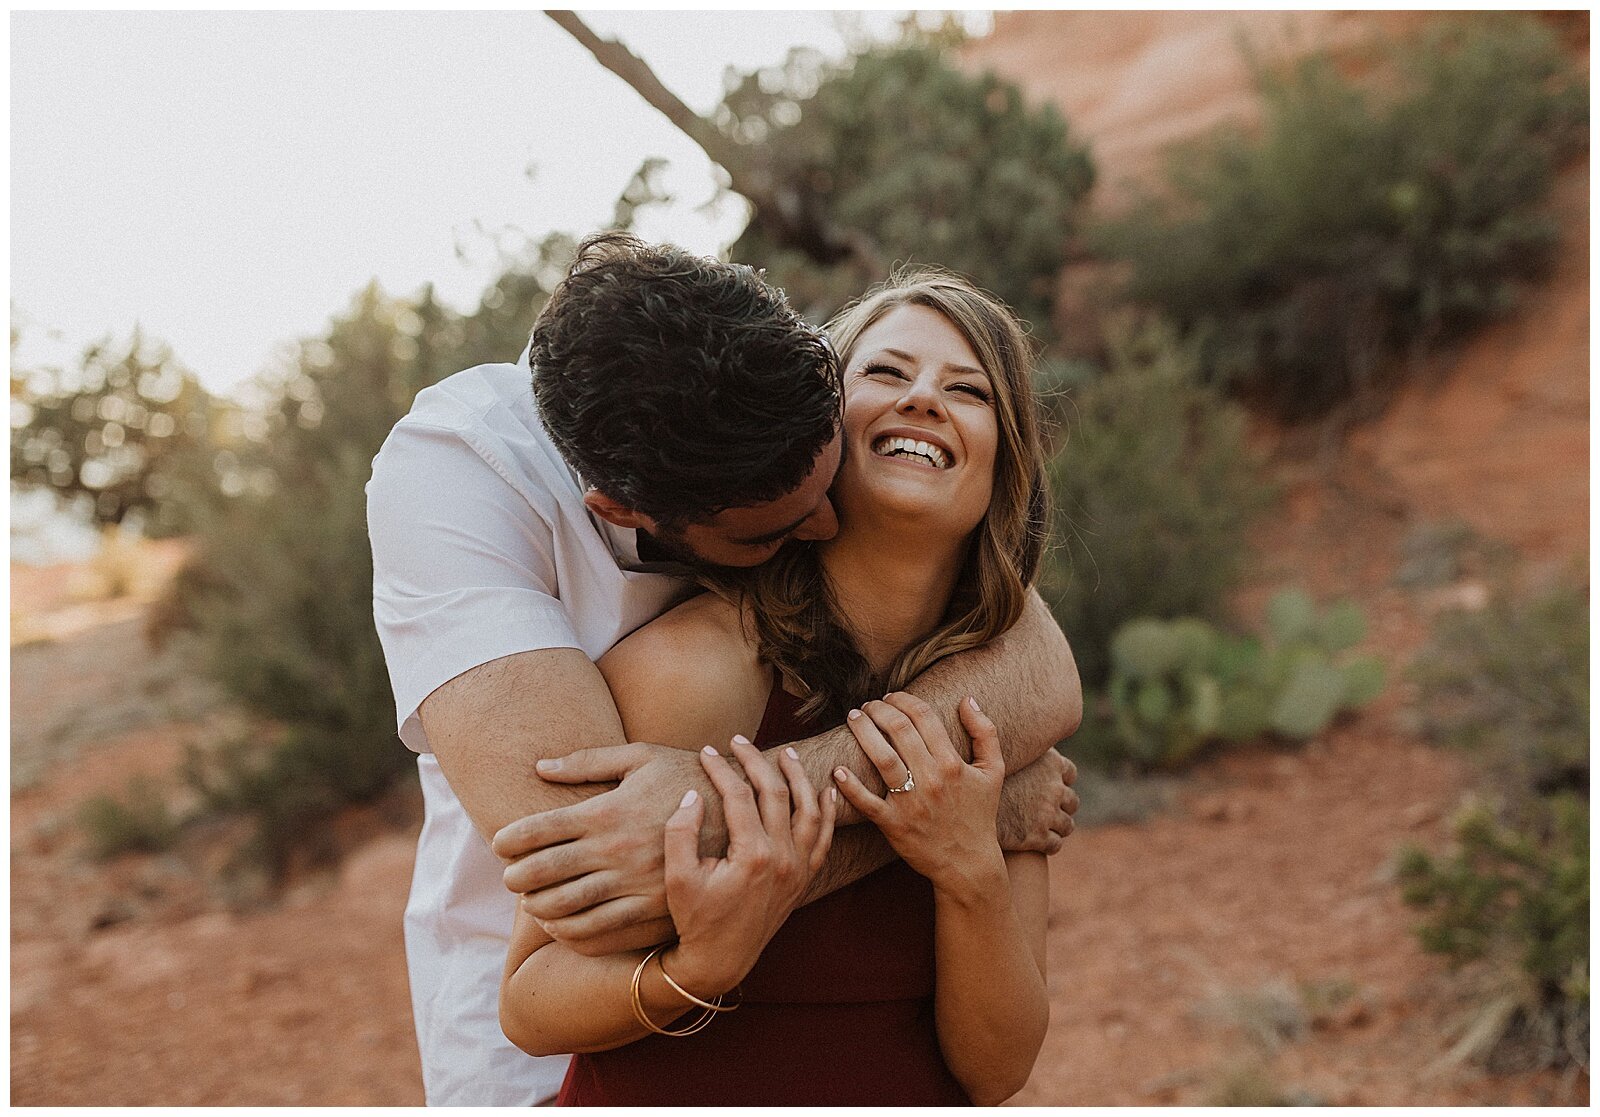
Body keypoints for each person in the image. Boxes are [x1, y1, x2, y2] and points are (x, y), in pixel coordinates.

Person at [367, 234, 1081, 1105]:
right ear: (626, 510)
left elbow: (1039, 661)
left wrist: (958, 838)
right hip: (552, 1055)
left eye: (967, 389)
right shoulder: (464, 481)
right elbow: (602, 874)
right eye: (776, 526)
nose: (821, 522)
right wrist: (960, 806)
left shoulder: (772, 369)